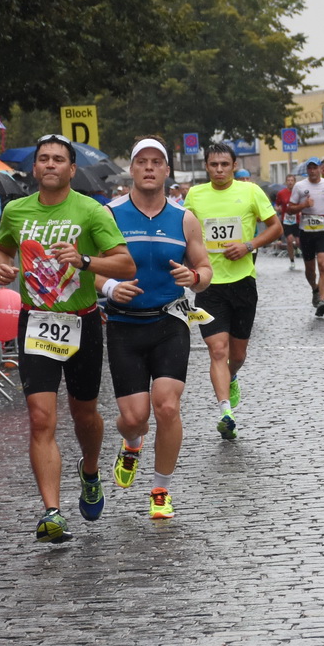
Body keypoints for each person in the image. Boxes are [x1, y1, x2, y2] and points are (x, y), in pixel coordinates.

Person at [0, 134, 135, 543]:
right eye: (43, 159)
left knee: (84, 415)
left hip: (82, 322)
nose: (50, 165)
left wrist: (84, 259)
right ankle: (52, 512)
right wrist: (2, 268)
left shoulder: (91, 211)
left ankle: (90, 470)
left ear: (72, 169)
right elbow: (1, 249)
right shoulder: (15, 211)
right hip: (35, 322)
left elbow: (125, 264)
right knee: (40, 418)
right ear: (34, 168)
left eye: (58, 159)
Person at [100, 138, 213, 519]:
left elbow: (205, 271)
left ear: (167, 171)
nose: (149, 168)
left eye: (157, 162)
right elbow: (90, 269)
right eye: (141, 162)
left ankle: (161, 489)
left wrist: (193, 275)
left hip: (169, 320)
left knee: (166, 406)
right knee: (135, 417)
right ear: (131, 170)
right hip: (123, 324)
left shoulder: (184, 218)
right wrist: (111, 287)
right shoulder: (110, 214)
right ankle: (132, 443)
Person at [185, 141, 282, 441]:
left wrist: (248, 245)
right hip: (208, 284)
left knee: (237, 355)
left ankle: (234, 375)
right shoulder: (194, 195)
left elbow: (276, 227)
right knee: (218, 350)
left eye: (224, 164)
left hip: (242, 285)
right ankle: (226, 412)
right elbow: (185, 233)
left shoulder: (250, 191)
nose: (219, 170)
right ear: (206, 166)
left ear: (235, 165)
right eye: (213, 164)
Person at [288, 159, 324, 314]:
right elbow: (290, 209)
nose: (312, 171)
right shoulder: (300, 186)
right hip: (306, 231)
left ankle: (322, 301)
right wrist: (303, 205)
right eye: (309, 168)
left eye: (315, 168)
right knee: (310, 270)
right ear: (307, 170)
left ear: (320, 169)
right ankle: (315, 289)